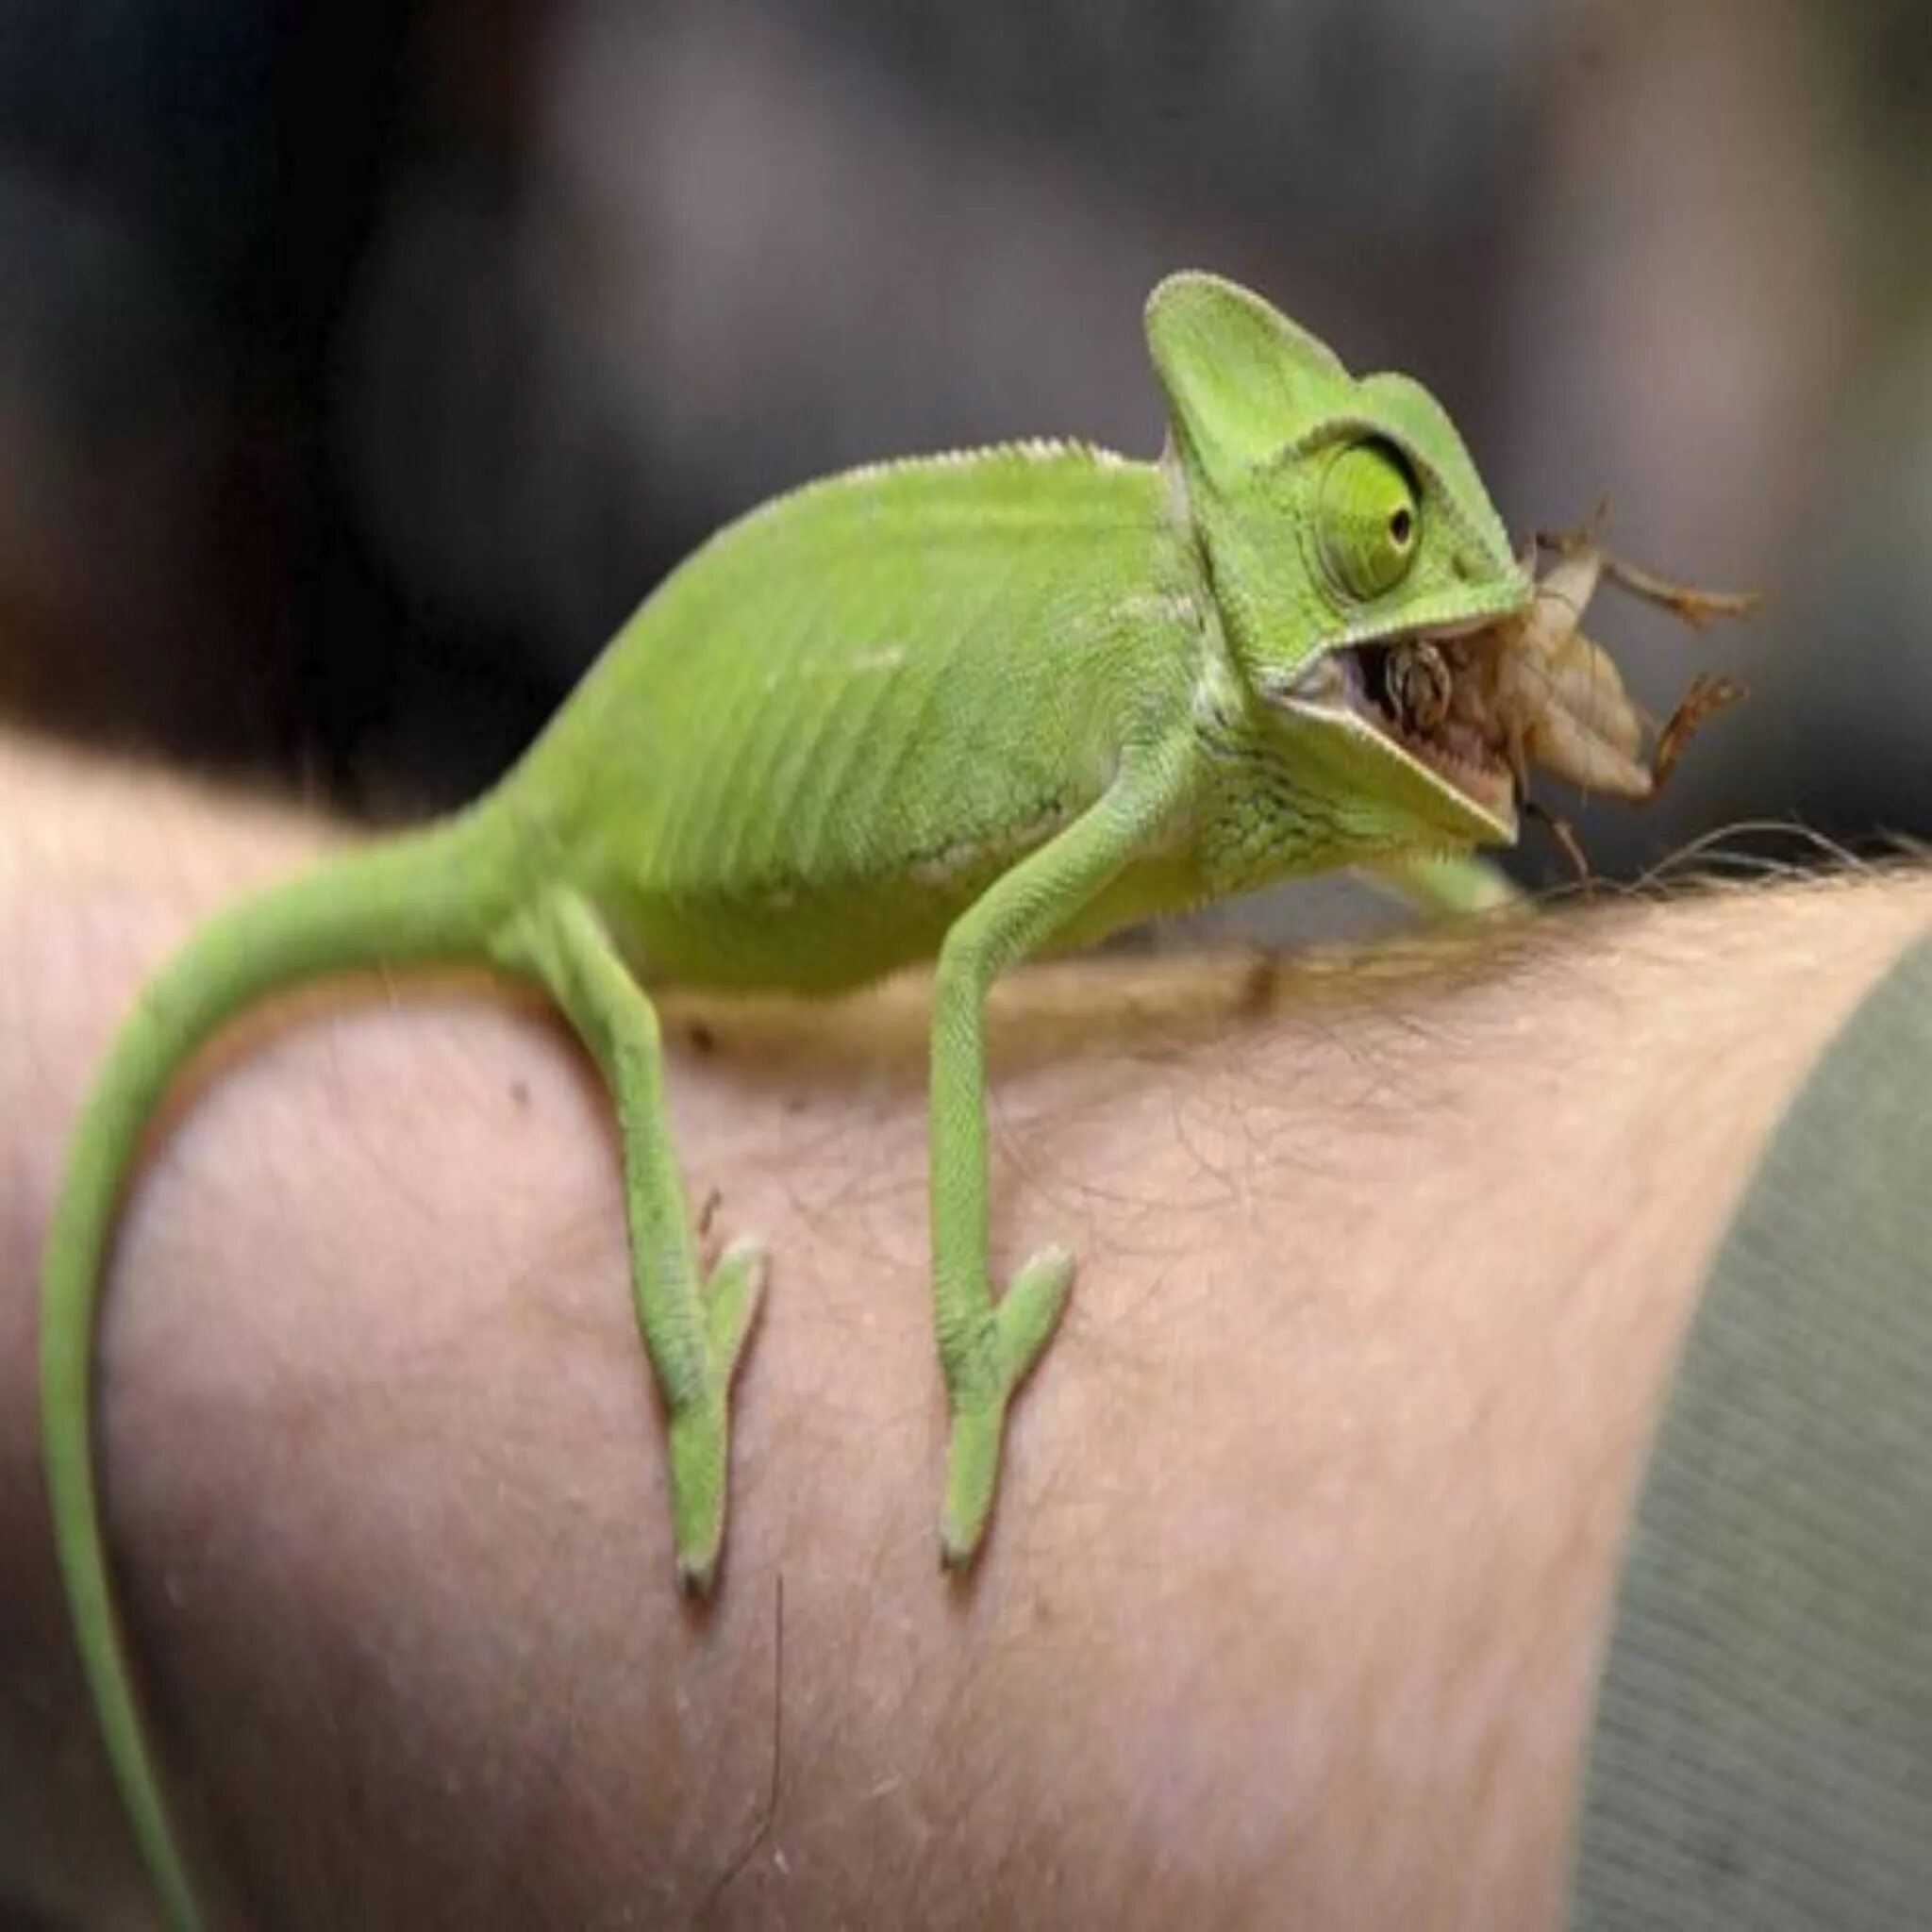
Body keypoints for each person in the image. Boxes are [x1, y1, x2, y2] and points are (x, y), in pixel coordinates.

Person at [4, 730, 1928, 1929]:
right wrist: (954, 1345)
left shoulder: (1256, 744)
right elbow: (973, 972)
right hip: (600, 872)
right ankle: (685, 1374)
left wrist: (1513, 932)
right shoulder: (1177, 715)